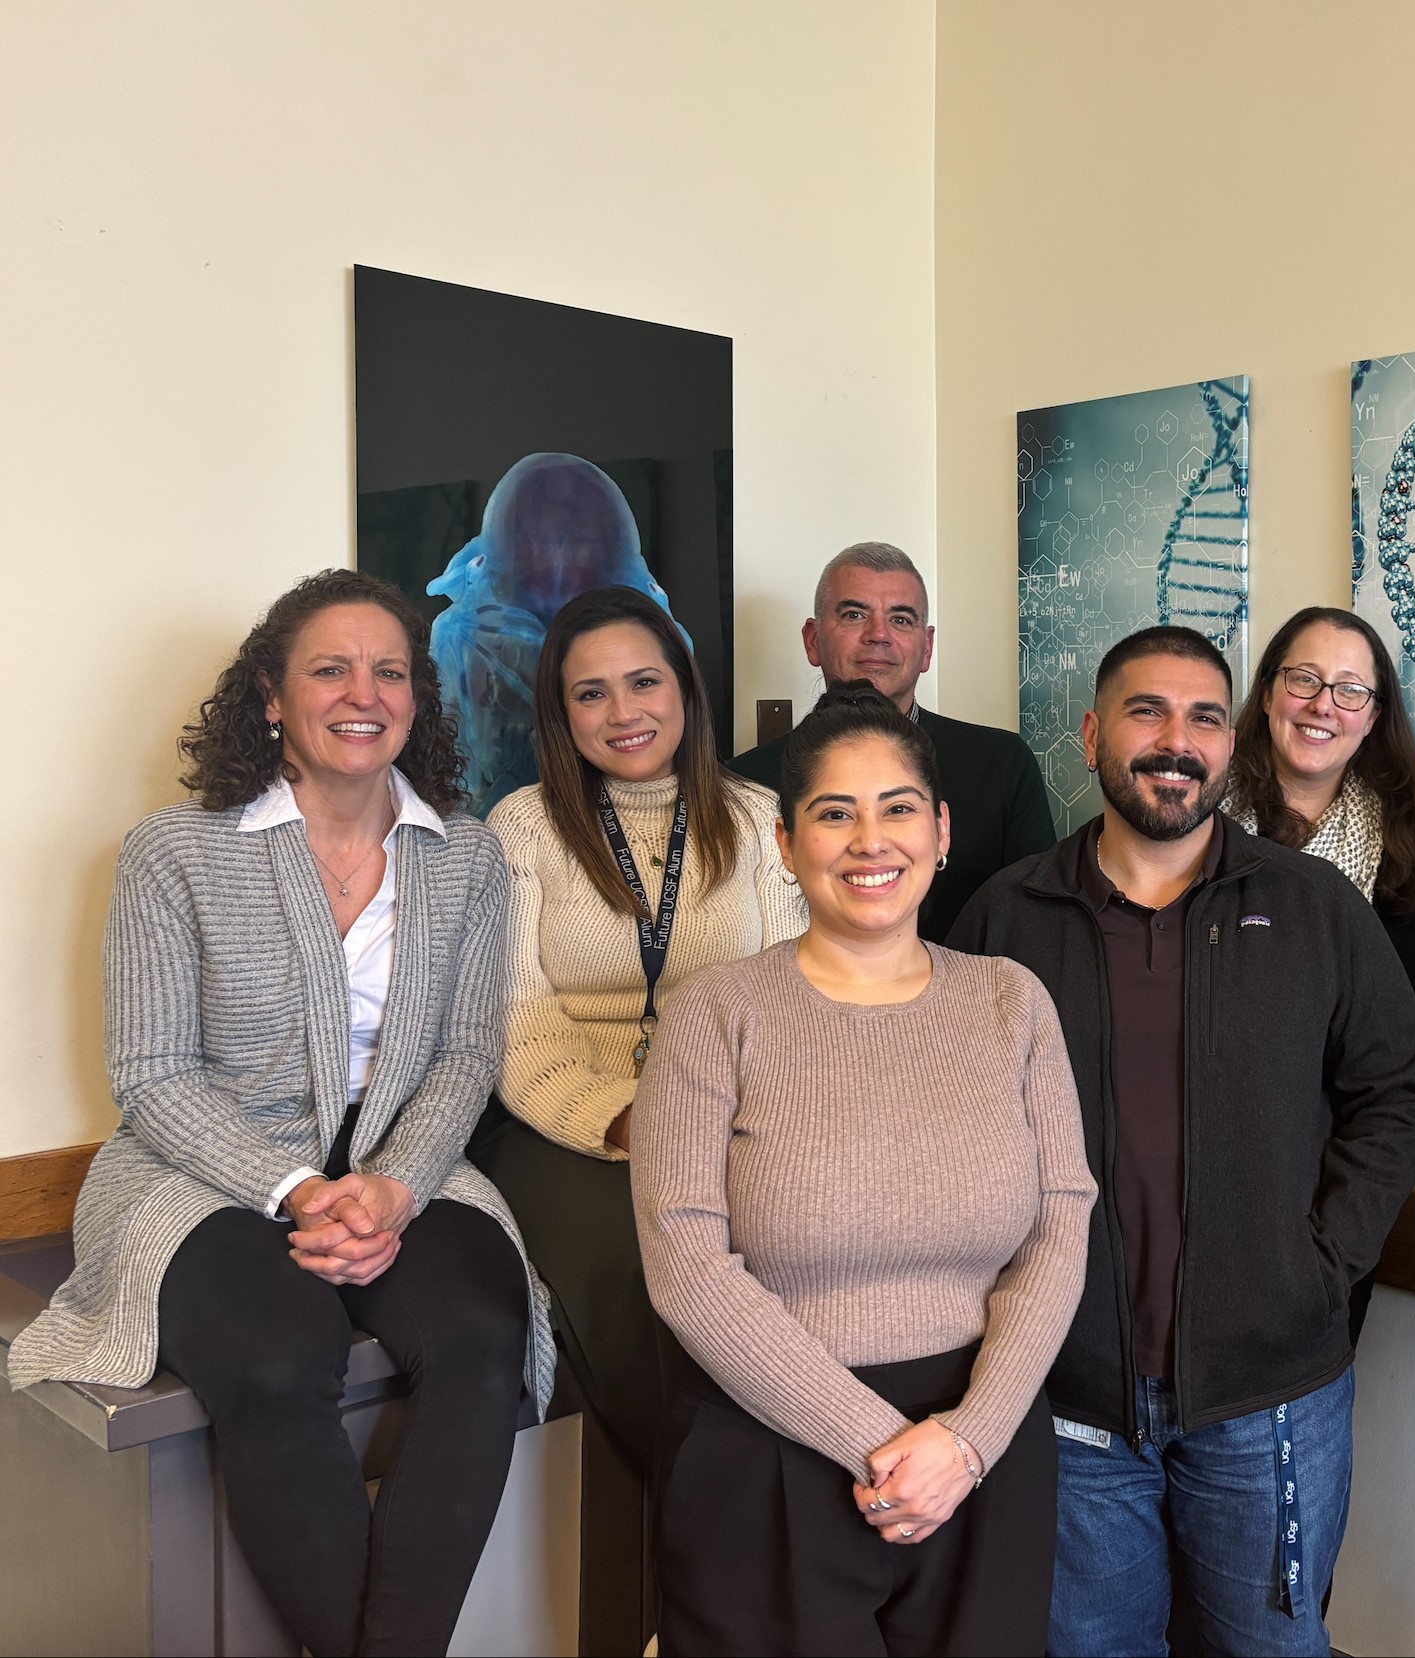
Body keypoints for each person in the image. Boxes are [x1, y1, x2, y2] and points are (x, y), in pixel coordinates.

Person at [8, 570, 550, 1656]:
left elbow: (465, 1052)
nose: (365, 691)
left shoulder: (468, 853)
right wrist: (299, 1189)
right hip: (201, 1166)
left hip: (408, 1154)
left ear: (416, 697)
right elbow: (154, 1073)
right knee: (273, 1354)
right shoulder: (176, 851)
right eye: (330, 667)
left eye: (390, 669)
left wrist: (394, 1186)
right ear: (270, 693)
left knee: (483, 1335)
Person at [947, 625, 1415, 1658]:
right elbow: (946, 1125)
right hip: (1067, 1400)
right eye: (1145, 711)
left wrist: (1319, 1260)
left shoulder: (1311, 907)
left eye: (1203, 716)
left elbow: (1395, 1088)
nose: (1177, 740)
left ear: (1230, 740)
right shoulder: (1006, 917)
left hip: (1269, 1399)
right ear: (1089, 734)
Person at [631, 681, 1095, 1656]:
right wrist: (881, 1446)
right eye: (833, 813)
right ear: (787, 842)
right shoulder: (715, 1013)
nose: (868, 839)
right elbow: (686, 1266)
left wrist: (966, 1440)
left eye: (896, 808)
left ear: (940, 830)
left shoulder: (1011, 1001)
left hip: (982, 1457)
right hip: (769, 1460)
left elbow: (1059, 1226)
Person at [468, 585, 806, 1479]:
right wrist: (623, 1119)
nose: (624, 713)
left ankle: (788, 1501)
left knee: (784, 1250)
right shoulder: (523, 829)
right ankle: (696, 1509)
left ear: (686, 692)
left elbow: (786, 1007)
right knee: (643, 1268)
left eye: (644, 682)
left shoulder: (759, 820)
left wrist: (718, 1125)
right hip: (564, 1129)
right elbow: (519, 1017)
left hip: (727, 1120)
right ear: (561, 713)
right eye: (591, 693)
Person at [730, 540, 1056, 941]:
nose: (878, 634)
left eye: (901, 619)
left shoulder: (1002, 764)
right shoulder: (741, 784)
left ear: (927, 648)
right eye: (854, 614)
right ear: (813, 640)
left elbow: (1037, 923)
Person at [1229, 604, 1415, 1031]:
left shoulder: (1399, 854)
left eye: (1349, 690)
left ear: (1371, 719)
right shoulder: (1195, 815)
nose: (1323, 705)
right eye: (1305, 679)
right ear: (1269, 693)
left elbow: (1406, 1039)